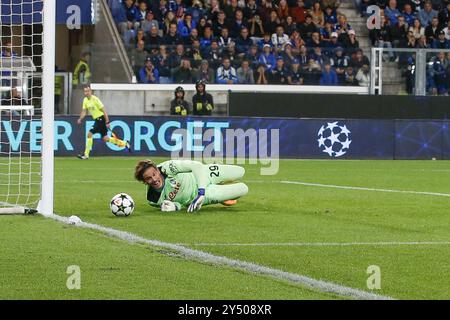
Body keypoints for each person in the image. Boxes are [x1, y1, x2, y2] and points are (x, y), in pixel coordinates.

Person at [134, 159, 248, 212]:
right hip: (203, 197)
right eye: (148, 178)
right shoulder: (152, 199)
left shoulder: (168, 167)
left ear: (157, 170)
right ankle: (222, 194)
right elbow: (179, 204)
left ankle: (221, 185)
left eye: (154, 174)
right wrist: (175, 207)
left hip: (204, 174)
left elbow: (197, 166)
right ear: (144, 182)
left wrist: (201, 191)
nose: (154, 179)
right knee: (243, 189)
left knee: (241, 171)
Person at [77, 85, 130, 160]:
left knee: (89, 134)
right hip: (97, 120)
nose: (86, 93)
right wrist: (80, 118)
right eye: (85, 91)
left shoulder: (95, 99)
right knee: (105, 138)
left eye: (88, 91)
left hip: (101, 119)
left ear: (91, 91)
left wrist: (107, 121)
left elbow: (104, 110)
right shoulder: (85, 100)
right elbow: (84, 111)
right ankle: (125, 143)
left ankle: (86, 155)